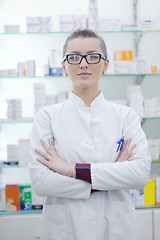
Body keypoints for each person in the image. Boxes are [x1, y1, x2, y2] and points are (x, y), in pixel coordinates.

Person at [29, 28, 151, 240]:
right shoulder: (47, 117)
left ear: (105, 65)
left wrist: (69, 169)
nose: (83, 64)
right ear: (64, 67)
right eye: (74, 57)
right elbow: (41, 182)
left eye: (93, 57)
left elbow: (140, 174)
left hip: (116, 229)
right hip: (65, 230)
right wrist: (112, 174)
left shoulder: (126, 116)